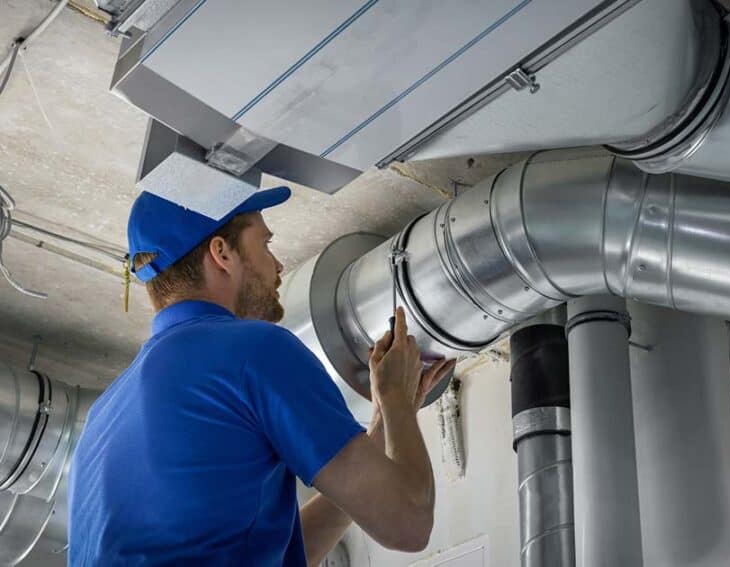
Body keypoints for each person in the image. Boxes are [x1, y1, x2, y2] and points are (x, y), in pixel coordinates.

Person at [68, 187, 455, 565]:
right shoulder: (254, 350)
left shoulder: (102, 418)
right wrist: (398, 404)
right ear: (221, 253)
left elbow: (273, 550)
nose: (278, 265)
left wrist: (381, 429)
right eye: (265, 244)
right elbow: (410, 523)